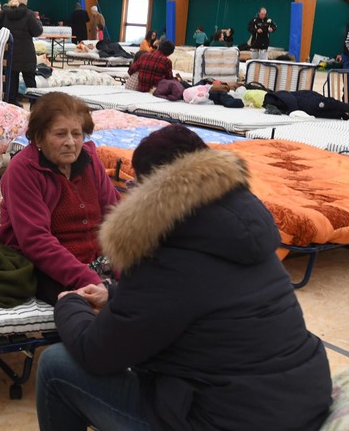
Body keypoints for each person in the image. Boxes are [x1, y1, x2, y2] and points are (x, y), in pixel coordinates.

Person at [36, 124, 333, 431]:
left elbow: (96, 352)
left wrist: (70, 305)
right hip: (300, 402)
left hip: (227, 420)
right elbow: (198, 297)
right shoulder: (237, 227)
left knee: (56, 366)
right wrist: (114, 294)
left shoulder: (166, 251)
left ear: (151, 191)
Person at [0, 92, 119, 305]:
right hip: (47, 265)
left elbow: (116, 213)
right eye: (60, 134)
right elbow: (36, 241)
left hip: (96, 260)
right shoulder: (23, 171)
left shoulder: (89, 161)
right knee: (86, 306)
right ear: (39, 138)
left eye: (76, 134)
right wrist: (90, 281)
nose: (71, 142)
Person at [0, 0, 43, 106]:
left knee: (11, 83)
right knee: (31, 83)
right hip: (26, 54)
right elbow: (37, 32)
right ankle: (35, 109)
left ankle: (12, 110)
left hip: (10, 53)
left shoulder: (4, 13)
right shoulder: (29, 14)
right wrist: (38, 21)